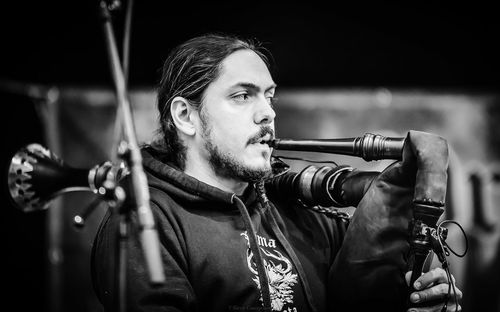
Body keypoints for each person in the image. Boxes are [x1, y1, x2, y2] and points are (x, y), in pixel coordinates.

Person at [91, 33, 462, 312]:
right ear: (185, 116)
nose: (267, 112)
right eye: (242, 95)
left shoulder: (300, 215)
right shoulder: (148, 223)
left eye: (269, 95)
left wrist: (417, 300)